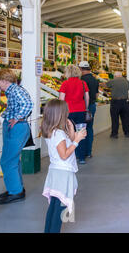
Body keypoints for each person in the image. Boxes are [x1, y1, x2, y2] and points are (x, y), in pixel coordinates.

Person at [41, 99, 87, 233]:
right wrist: (77, 141)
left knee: (54, 206)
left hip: (56, 172)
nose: (68, 112)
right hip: (63, 173)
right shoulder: (58, 133)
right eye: (66, 111)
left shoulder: (53, 130)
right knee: (60, 210)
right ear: (59, 114)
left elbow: (68, 143)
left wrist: (72, 131)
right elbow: (65, 155)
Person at [0, 69, 33, 205]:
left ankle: (15, 192)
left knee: (7, 161)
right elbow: (15, 107)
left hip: (17, 128)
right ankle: (15, 188)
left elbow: (28, 104)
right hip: (15, 127)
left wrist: (17, 118)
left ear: (5, 80)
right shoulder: (12, 91)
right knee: (13, 160)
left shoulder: (15, 90)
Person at [59, 65, 89, 165]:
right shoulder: (83, 83)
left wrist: (61, 111)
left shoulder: (65, 83)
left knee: (68, 133)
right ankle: (82, 157)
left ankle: (71, 154)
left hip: (68, 112)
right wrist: (85, 107)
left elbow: (61, 99)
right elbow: (87, 97)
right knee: (81, 133)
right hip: (81, 111)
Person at [79, 61, 99, 158]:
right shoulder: (95, 80)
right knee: (89, 128)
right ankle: (89, 152)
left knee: (81, 128)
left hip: (82, 107)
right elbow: (96, 95)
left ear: (81, 69)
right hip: (92, 106)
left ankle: (81, 153)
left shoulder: (81, 80)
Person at [106, 71, 129, 138]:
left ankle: (114, 134)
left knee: (115, 119)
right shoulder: (126, 81)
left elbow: (106, 85)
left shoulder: (113, 81)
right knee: (126, 118)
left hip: (115, 102)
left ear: (115, 76)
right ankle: (127, 133)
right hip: (125, 102)